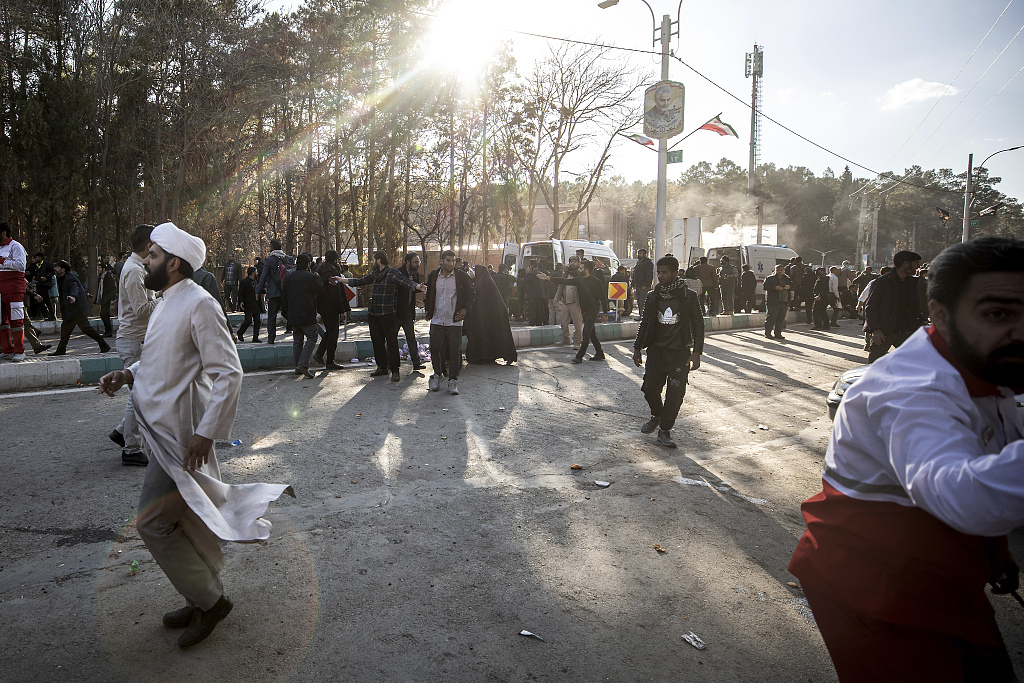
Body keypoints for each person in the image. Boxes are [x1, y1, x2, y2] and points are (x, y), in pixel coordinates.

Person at [788, 236, 1024, 682]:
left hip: (944, 571)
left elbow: (989, 450)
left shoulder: (986, 365)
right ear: (940, 313)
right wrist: (876, 331)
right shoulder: (913, 392)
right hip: (880, 592)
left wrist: (996, 551)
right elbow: (960, 492)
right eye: (998, 314)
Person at [97, 221, 291, 649]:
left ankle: (211, 600)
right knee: (184, 519)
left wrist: (207, 433)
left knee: (151, 523)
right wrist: (127, 373)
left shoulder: (200, 303)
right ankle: (199, 594)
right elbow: (161, 362)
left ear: (174, 262)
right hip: (161, 432)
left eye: (152, 255)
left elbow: (229, 371)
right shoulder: (165, 301)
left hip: (182, 439)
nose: (145, 260)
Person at [632, 255, 704, 449]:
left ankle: (664, 430)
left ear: (675, 273)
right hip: (656, 352)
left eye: (665, 272)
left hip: (679, 354)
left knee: (675, 395)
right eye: (659, 272)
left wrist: (697, 352)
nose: (661, 276)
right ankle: (657, 414)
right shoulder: (653, 296)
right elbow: (645, 323)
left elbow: (698, 325)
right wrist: (637, 348)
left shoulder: (689, 296)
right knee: (649, 389)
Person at [110, 224, 157, 466]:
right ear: (149, 246)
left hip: (136, 339)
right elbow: (141, 311)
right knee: (138, 398)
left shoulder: (136, 268)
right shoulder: (135, 271)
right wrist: (165, 296)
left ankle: (121, 432)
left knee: (138, 395)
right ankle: (131, 450)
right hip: (134, 340)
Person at [339, 250, 426, 382]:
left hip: (388, 314)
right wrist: (341, 280)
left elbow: (406, 282)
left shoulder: (392, 273)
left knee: (392, 342)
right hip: (374, 314)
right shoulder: (375, 274)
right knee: (377, 342)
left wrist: (418, 286)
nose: (372, 262)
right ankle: (382, 367)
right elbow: (359, 281)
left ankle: (395, 371)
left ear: (379, 260)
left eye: (373, 260)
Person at [537, 260, 607, 364]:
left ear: (586, 270)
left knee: (586, 333)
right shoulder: (579, 280)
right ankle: (599, 352)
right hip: (585, 310)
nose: (579, 270)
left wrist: (605, 313)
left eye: (581, 268)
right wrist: (548, 278)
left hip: (593, 310)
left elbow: (603, 297)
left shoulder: (596, 281)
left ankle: (579, 356)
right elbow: (564, 281)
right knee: (592, 333)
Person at [424, 250, 475, 395]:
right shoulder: (434, 276)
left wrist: (465, 309)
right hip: (437, 319)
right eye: (447, 260)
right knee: (434, 349)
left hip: (454, 320)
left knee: (454, 352)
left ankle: (452, 380)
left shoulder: (461, 276)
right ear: (441, 261)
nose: (451, 263)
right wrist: (428, 310)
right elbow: (430, 294)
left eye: (453, 261)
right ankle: (438, 374)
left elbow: (472, 293)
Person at [864, 250, 923, 362]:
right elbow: (871, 307)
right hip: (885, 331)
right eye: (916, 263)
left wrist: (921, 321)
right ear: (906, 264)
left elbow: (913, 307)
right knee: (874, 364)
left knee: (914, 361)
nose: (918, 267)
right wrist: (875, 329)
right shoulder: (882, 282)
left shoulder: (912, 283)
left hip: (906, 331)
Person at [51, 259, 110, 356]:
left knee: (86, 329)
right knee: (65, 330)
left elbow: (74, 288)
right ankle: (61, 350)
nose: (55, 269)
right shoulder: (62, 278)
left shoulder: (69, 278)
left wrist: (73, 296)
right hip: (71, 310)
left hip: (77, 309)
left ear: (63, 269)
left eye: (57, 267)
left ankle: (104, 345)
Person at [464, 264, 516, 366]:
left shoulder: (484, 282)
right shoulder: (480, 281)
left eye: (471, 272)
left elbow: (479, 300)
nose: (468, 274)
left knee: (493, 335)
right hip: (489, 315)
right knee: (488, 336)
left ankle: (485, 356)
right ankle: (486, 357)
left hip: (494, 315)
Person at [281, 253, 322, 378]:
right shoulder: (311, 277)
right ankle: (303, 364)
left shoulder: (288, 277)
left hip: (293, 314)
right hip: (307, 313)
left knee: (297, 340)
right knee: (312, 336)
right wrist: (318, 278)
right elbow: (321, 290)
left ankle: (297, 366)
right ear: (308, 264)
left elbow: (283, 297)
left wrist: (286, 313)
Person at [312, 250, 350, 371]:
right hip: (332, 307)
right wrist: (342, 310)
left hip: (322, 306)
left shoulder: (319, 269)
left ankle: (319, 354)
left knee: (329, 332)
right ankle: (330, 361)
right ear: (335, 260)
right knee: (333, 334)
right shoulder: (333, 272)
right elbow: (336, 293)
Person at [0, 222, 28, 361]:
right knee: (1, 321)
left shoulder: (16, 246)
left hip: (14, 288)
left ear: (4, 233)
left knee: (16, 321)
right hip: (1, 289)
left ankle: (20, 351)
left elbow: (21, 265)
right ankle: (7, 350)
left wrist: (3, 261)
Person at [396, 253, 426, 372]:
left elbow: (412, 292)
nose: (418, 264)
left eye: (419, 262)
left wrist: (415, 303)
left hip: (408, 312)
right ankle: (391, 364)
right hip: (397, 312)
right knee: (392, 339)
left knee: (411, 338)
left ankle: (416, 363)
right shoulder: (398, 273)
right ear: (408, 262)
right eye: (415, 262)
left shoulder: (416, 275)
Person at [254, 238, 287, 344]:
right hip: (286, 291)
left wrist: (257, 291)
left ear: (272, 248)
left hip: (273, 292)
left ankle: (271, 338)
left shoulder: (269, 260)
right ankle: (297, 334)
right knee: (289, 313)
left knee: (272, 316)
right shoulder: (288, 258)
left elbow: (263, 277)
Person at [762, 264, 791, 340]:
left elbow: (793, 286)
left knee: (780, 319)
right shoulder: (770, 278)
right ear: (775, 270)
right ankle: (768, 333)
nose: (779, 271)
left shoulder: (787, 278)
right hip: (773, 302)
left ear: (784, 271)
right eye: (778, 270)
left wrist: (789, 287)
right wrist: (775, 288)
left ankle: (778, 333)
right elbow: (765, 287)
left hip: (784, 301)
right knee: (771, 318)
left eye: (781, 270)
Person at [235, 267, 263, 343]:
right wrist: (240, 302)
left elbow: (260, 290)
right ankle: (240, 332)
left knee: (257, 321)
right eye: (256, 271)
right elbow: (240, 293)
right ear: (253, 273)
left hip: (256, 304)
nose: (257, 273)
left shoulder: (257, 281)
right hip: (248, 304)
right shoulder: (244, 282)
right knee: (248, 320)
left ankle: (255, 337)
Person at [27, 251, 55, 320]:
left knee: (45, 300)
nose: (35, 259)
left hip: (45, 285)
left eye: (36, 257)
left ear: (40, 258)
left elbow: (53, 271)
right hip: (39, 285)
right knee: (40, 300)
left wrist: (46, 276)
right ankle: (43, 314)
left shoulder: (47, 264)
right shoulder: (36, 266)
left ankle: (49, 315)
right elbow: (36, 276)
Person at [520, 260, 548, 326]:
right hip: (541, 295)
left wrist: (527, 273)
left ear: (531, 266)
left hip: (532, 296)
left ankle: (532, 323)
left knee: (532, 311)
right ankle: (539, 323)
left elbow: (525, 281)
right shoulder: (541, 273)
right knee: (539, 310)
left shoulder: (532, 274)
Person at [97, 261, 118, 337]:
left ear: (103, 269)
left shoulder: (108, 276)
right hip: (103, 298)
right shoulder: (101, 277)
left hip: (107, 298)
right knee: (105, 315)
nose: (98, 269)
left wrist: (112, 298)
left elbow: (113, 287)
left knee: (103, 314)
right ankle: (108, 331)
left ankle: (108, 331)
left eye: (99, 268)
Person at [632, 248, 654, 319]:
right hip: (638, 285)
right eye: (638, 253)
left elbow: (649, 274)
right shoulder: (639, 262)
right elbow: (635, 274)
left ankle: (644, 316)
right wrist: (633, 284)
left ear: (644, 254)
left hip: (643, 286)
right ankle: (641, 314)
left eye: (640, 253)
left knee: (643, 301)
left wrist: (646, 284)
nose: (639, 255)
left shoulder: (648, 263)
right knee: (639, 301)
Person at [811, 267, 832, 331]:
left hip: (821, 297)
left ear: (822, 271)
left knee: (816, 311)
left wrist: (819, 296)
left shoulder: (823, 279)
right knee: (822, 311)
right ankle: (826, 325)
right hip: (823, 297)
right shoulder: (822, 278)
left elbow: (824, 289)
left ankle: (818, 325)